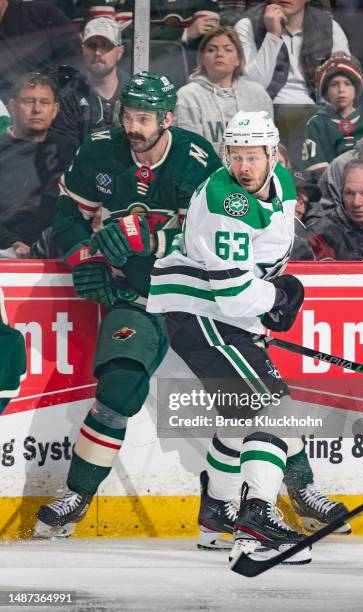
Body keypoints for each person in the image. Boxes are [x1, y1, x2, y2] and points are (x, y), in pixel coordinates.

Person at [147, 111, 350, 561]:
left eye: (252, 156)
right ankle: (256, 520)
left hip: (222, 313)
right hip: (202, 309)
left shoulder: (282, 181)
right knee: (273, 407)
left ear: (271, 153)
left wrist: (272, 299)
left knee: (241, 418)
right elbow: (235, 294)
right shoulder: (225, 202)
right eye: (235, 156)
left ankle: (218, 514)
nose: (244, 167)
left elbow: (257, 267)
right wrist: (276, 296)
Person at [34, 71, 222, 537]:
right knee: (117, 390)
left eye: (144, 118)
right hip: (135, 296)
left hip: (198, 297)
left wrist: (152, 238)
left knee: (250, 395)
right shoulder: (100, 149)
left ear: (167, 119)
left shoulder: (195, 160)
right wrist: (83, 258)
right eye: (128, 116)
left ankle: (295, 487)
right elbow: (68, 216)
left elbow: (213, 236)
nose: (133, 127)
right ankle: (77, 495)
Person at [234, 0, 350, 167]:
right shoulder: (248, 25)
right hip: (266, 109)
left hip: (316, 110)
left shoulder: (329, 27)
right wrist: (273, 36)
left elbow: (343, 82)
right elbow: (252, 87)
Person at [0, 72, 76, 258]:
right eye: (29, 101)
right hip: (6, 252)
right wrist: (11, 242)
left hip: (58, 250)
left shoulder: (68, 148)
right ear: (13, 106)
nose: (37, 109)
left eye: (44, 102)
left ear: (55, 109)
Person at [173, 26, 274, 157]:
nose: (219, 54)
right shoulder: (188, 96)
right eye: (211, 49)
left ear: (238, 59)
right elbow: (189, 151)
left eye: (227, 49)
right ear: (202, 59)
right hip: (207, 174)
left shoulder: (258, 94)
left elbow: (268, 146)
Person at [50, 16, 129, 147]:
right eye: (91, 45)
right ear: (83, 49)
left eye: (106, 46)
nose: (97, 52)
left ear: (120, 52)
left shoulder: (134, 91)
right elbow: (67, 151)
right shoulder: (68, 97)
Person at [0, 0, 83, 104]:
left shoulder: (42, 13)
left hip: (57, 103)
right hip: (7, 111)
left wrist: (50, 93)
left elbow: (73, 58)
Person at [302, 55, 363, 176]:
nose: (341, 90)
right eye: (334, 85)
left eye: (347, 84)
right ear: (326, 90)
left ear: (356, 89)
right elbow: (316, 166)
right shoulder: (317, 123)